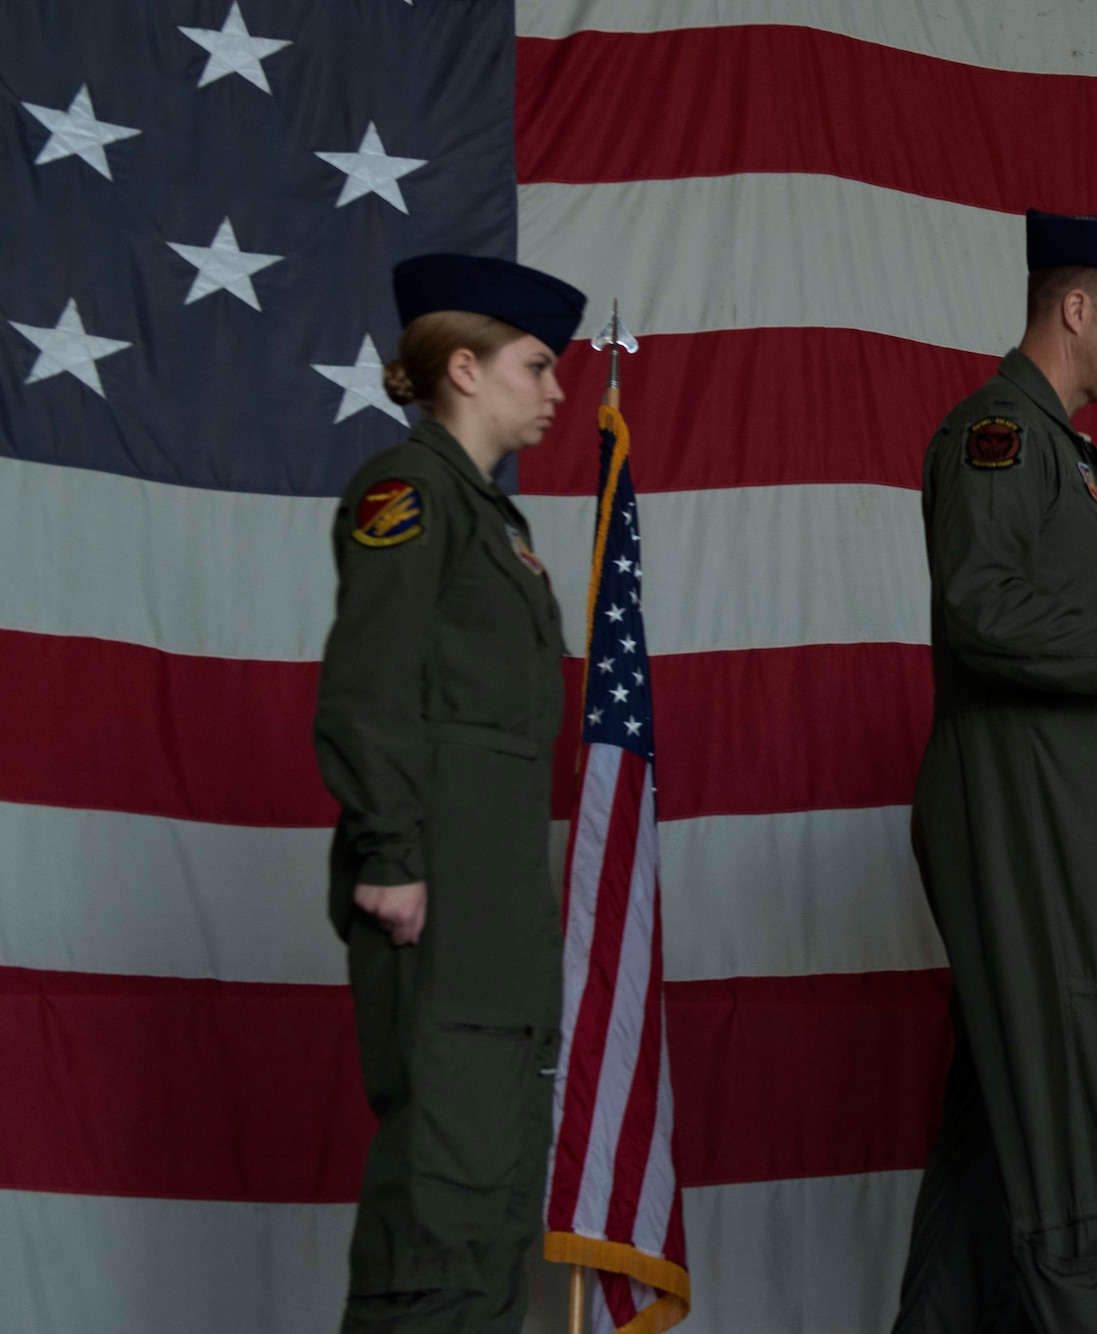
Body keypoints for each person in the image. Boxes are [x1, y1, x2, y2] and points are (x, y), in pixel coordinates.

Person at [893, 210, 1097, 1334]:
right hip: (1017, 817)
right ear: (1072, 309)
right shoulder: (999, 432)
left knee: (1002, 1108)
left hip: (1061, 804)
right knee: (1070, 1112)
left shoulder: (1064, 456)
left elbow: (1059, 639)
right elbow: (979, 610)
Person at [313, 253, 584, 1332]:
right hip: (437, 898)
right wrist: (390, 853)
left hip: (493, 903)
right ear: (462, 368)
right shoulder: (409, 489)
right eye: (536, 364)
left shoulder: (493, 522)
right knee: (441, 1200)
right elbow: (367, 683)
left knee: (492, 1198)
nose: (556, 389)